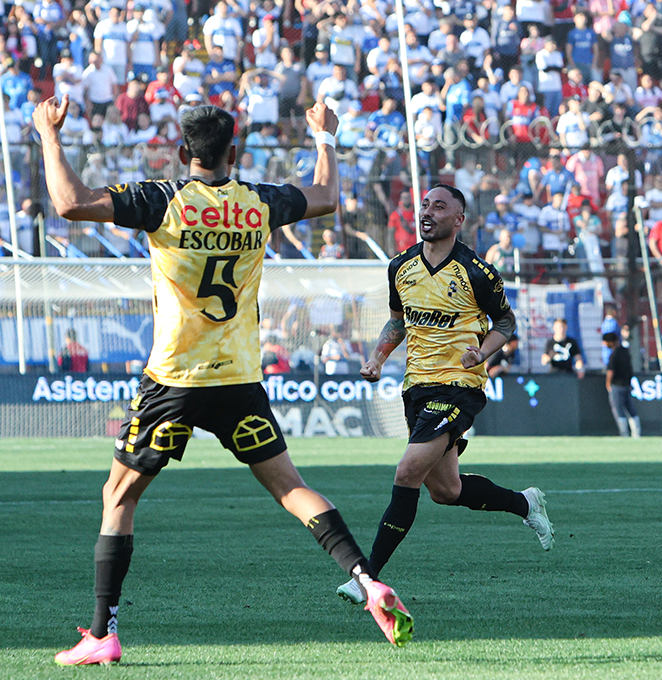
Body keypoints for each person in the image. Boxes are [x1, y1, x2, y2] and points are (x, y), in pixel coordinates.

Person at [35, 96, 413, 664]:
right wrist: (325, 138)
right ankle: (365, 578)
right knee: (289, 487)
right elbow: (327, 198)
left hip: (176, 379)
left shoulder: (162, 200)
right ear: (233, 152)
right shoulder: (258, 202)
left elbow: (69, 203)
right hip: (239, 377)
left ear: (182, 152)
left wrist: (48, 134)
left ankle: (101, 634)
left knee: (119, 495)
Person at [335, 184, 554, 605]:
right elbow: (398, 322)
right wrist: (378, 358)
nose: (427, 212)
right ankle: (525, 504)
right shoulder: (400, 266)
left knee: (407, 472)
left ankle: (367, 577)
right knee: (446, 491)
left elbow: (505, 323)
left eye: (439, 206)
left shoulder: (476, 271)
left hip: (459, 385)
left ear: (459, 219)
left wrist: (482, 352)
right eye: (424, 205)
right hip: (416, 386)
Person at [604, 332, 640, 438]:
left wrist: (608, 383)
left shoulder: (614, 354)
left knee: (619, 410)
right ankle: (636, 433)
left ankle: (624, 433)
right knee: (630, 409)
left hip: (616, 385)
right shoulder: (625, 352)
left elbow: (610, 371)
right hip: (627, 385)